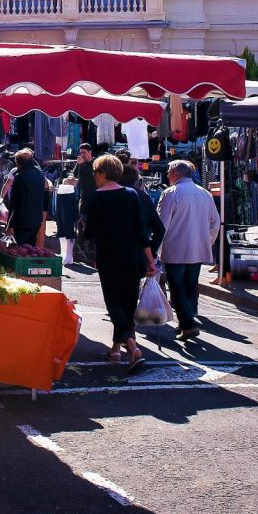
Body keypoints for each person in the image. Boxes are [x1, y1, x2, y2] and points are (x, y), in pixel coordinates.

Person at [83, 153, 155, 372]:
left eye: (95, 172)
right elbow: (142, 232)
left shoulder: (96, 198)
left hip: (109, 256)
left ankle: (131, 346)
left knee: (114, 303)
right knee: (127, 303)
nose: (94, 176)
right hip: (132, 256)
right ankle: (116, 349)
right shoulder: (132, 194)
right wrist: (150, 261)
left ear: (103, 173)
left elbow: (89, 234)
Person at [156, 159, 220, 341]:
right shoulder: (205, 194)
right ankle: (186, 321)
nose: (167, 175)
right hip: (197, 249)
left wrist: (155, 249)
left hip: (176, 249)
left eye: (169, 171)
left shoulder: (171, 193)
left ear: (176, 173)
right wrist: (206, 242)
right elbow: (215, 223)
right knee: (190, 286)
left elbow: (162, 225)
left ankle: (188, 324)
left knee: (177, 288)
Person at [6, 149, 49, 247]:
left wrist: (10, 224)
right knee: (30, 249)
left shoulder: (19, 177)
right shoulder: (40, 174)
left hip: (22, 221)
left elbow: (17, 204)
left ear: (17, 163)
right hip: (37, 219)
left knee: (20, 250)